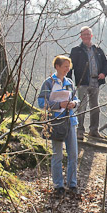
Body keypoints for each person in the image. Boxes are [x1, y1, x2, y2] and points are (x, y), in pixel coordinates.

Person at [38, 55, 80, 197]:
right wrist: (58, 105)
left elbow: (75, 98)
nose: (67, 69)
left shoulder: (69, 82)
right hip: (55, 122)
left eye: (69, 67)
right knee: (57, 155)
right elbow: (41, 103)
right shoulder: (49, 83)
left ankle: (72, 184)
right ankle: (58, 186)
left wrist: (74, 103)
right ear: (57, 67)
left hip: (71, 121)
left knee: (73, 154)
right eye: (65, 67)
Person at [68, 26, 107, 140]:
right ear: (81, 36)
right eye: (84, 35)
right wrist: (69, 82)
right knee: (81, 107)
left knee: (95, 107)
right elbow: (69, 67)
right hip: (82, 83)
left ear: (91, 36)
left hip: (96, 82)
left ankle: (94, 131)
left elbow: (106, 64)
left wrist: (103, 74)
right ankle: (80, 131)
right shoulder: (76, 50)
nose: (86, 36)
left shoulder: (98, 50)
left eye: (88, 34)